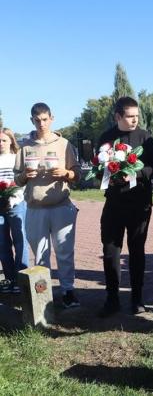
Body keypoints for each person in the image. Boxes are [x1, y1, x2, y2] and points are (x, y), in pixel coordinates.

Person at [97, 96, 153, 317]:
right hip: (114, 203)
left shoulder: (145, 137)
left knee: (136, 252)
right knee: (110, 251)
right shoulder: (106, 138)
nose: (135, 120)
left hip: (139, 204)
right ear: (118, 116)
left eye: (137, 116)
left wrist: (136, 173)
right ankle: (112, 298)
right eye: (130, 116)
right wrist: (110, 175)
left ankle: (137, 299)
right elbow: (99, 166)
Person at [15, 103, 81, 308]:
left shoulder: (63, 144)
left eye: (45, 119)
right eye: (37, 120)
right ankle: (43, 294)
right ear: (31, 120)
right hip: (35, 207)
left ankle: (68, 290)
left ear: (52, 118)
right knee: (40, 254)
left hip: (61, 205)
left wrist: (67, 174)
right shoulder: (25, 146)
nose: (41, 123)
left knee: (64, 251)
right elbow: (17, 178)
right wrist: (25, 175)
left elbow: (77, 173)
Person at [0, 128, 29, 293]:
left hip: (16, 204)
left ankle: (21, 279)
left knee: (20, 241)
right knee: (2, 244)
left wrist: (13, 199)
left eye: (4, 140)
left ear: (11, 140)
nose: (1, 143)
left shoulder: (16, 159)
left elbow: (21, 182)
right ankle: (9, 279)